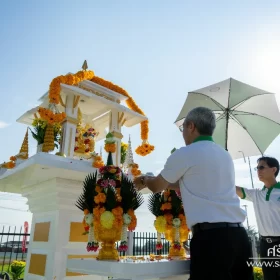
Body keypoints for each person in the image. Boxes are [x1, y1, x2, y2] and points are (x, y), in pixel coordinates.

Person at [134, 107, 253, 280]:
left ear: (191, 126)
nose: (182, 134)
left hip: (212, 240)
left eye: (183, 128)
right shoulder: (225, 155)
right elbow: (195, 184)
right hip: (239, 237)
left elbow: (157, 186)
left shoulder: (185, 153)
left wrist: (145, 179)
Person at [236, 156, 280, 280]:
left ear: (273, 170)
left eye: (262, 167)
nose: (258, 171)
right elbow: (233, 189)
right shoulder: (256, 194)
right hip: (265, 245)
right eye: (257, 168)